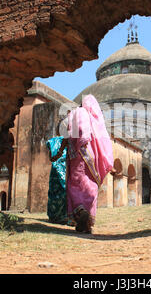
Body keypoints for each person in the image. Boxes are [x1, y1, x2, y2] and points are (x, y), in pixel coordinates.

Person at [51, 95, 114, 233]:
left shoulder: (75, 115)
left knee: (75, 186)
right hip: (92, 160)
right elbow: (102, 143)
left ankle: (80, 211)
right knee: (90, 187)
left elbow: (67, 138)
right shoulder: (96, 122)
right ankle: (87, 222)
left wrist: (58, 153)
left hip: (76, 158)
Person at [46, 120, 68, 225]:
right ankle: (64, 216)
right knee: (64, 193)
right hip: (65, 170)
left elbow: (51, 158)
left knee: (54, 194)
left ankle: (53, 216)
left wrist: (57, 156)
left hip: (55, 171)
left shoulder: (52, 141)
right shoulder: (69, 141)